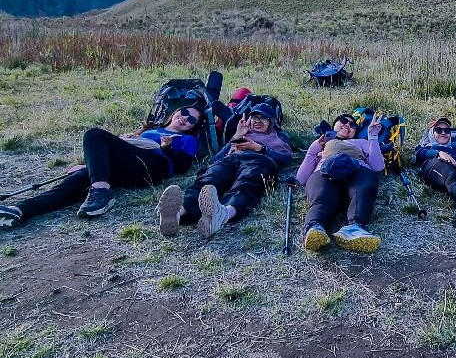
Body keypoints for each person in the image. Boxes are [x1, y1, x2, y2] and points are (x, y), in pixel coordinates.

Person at [0, 107, 203, 227]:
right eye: (184, 111)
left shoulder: (187, 140)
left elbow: (183, 167)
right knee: (75, 183)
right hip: (125, 164)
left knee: (94, 134)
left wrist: (167, 149)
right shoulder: (151, 130)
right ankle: (19, 210)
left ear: (193, 127)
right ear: (175, 112)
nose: (185, 117)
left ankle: (100, 191)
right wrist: (87, 164)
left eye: (192, 119)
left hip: (152, 165)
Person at [157, 102, 291, 238]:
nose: (257, 121)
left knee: (247, 183)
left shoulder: (278, 137)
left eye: (263, 118)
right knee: (209, 179)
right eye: (254, 117)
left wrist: (259, 148)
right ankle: (178, 213)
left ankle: (224, 214)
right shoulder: (242, 133)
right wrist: (237, 136)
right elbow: (215, 160)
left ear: (271, 122)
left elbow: (286, 158)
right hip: (230, 160)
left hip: (258, 161)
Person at [295, 113, 385, 254]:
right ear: (334, 125)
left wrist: (372, 137)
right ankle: (314, 228)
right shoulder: (321, 143)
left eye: (353, 125)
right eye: (343, 121)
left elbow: (377, 167)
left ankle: (355, 229)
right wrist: (314, 149)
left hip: (357, 168)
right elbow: (300, 178)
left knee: (364, 188)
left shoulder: (361, 142)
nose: (348, 125)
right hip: (325, 170)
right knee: (322, 195)